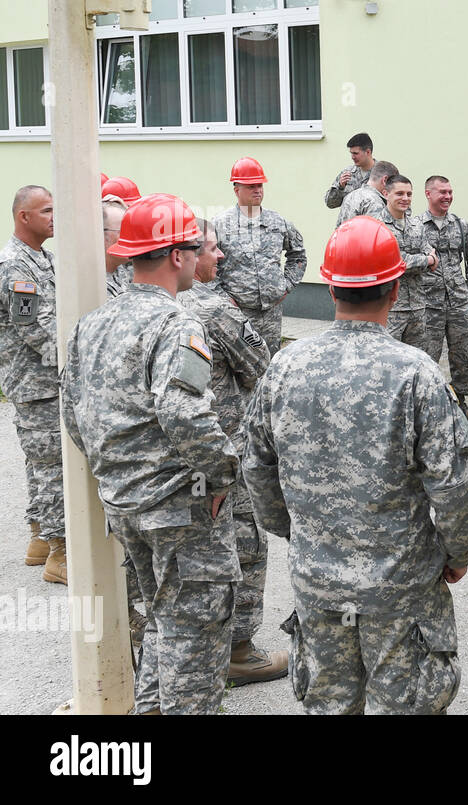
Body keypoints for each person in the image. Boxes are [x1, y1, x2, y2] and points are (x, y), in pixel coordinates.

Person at [243, 215, 468, 713]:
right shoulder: (416, 372)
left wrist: (298, 534)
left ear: (330, 285)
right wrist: (458, 551)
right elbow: (455, 484)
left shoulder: (284, 366)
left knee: (329, 705)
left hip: (318, 582)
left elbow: (256, 467)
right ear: (396, 287)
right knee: (407, 704)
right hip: (400, 586)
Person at [62, 194, 240, 714]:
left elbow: (74, 417)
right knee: (197, 646)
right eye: (195, 247)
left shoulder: (91, 325)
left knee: (164, 625)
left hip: (125, 504)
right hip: (181, 508)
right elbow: (184, 414)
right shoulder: (176, 324)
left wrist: (119, 474)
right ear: (178, 256)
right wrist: (223, 475)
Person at [178, 219, 286, 686]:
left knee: (182, 551)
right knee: (245, 544)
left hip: (168, 459)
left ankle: (182, 645)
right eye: (212, 249)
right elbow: (261, 367)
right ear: (185, 254)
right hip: (222, 450)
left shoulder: (142, 305)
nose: (220, 257)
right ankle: (238, 651)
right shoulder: (216, 309)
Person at [0, 185, 65, 583]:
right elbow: (35, 329)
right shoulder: (14, 266)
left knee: (42, 460)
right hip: (35, 380)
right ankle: (60, 553)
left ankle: (40, 537)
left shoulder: (44, 259)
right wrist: (77, 358)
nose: (54, 217)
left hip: (47, 379)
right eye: (46, 211)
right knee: (51, 463)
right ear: (24, 217)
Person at [212, 157, 307, 356]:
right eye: (251, 186)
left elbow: (297, 254)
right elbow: (206, 266)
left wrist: (286, 285)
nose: (258, 190)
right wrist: (223, 298)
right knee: (241, 366)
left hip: (271, 314)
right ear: (236, 189)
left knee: (269, 361)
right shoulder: (220, 225)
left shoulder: (277, 222)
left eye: (260, 185)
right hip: (237, 313)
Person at [418, 175, 468, 424]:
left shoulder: (461, 225)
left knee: (463, 354)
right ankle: (430, 405)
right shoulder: (416, 226)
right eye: (442, 192)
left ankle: (461, 400)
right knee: (427, 356)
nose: (447, 196)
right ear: (428, 194)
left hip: (459, 301)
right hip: (429, 303)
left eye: (450, 192)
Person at [370, 173, 433, 353]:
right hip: (391, 309)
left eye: (409, 194)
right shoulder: (376, 226)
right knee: (388, 360)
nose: (405, 198)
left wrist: (425, 260)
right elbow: (393, 261)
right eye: (399, 194)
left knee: (417, 360)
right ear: (386, 193)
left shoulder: (416, 226)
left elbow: (431, 256)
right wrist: (425, 260)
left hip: (418, 306)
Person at [335, 160, 398, 228]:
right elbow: (376, 234)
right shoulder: (375, 202)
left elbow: (339, 229)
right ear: (385, 180)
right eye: (393, 184)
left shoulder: (350, 196)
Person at [324, 132, 376, 210]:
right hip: (349, 221)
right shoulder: (348, 173)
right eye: (351, 153)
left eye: (356, 153)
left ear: (368, 152)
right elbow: (330, 203)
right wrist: (340, 187)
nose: (352, 157)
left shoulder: (382, 173)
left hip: (372, 221)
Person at [102, 196, 133, 299]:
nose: (131, 238)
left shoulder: (123, 271)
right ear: (101, 235)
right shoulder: (90, 283)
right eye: (124, 232)